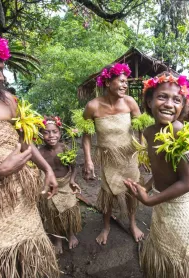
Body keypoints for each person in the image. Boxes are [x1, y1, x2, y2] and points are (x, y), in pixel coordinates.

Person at [0, 29, 59, 277]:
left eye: (2, 69)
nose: (2, 77)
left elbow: (25, 142)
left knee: (27, 257)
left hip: (20, 198)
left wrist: (47, 169)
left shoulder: (8, 101)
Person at [124, 72, 189, 278]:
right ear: (149, 101)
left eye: (176, 100)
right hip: (162, 202)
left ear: (183, 106)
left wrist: (150, 200)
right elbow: (159, 166)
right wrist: (147, 187)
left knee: (176, 261)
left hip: (181, 210)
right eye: (162, 97)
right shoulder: (150, 132)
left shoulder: (178, 131)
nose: (169, 104)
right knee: (161, 254)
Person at [82, 63, 144, 245]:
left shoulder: (130, 102)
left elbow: (140, 128)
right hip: (108, 157)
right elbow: (86, 137)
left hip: (129, 155)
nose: (125, 85)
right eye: (121, 81)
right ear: (108, 82)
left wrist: (142, 151)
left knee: (132, 190)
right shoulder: (93, 106)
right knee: (108, 192)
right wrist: (88, 161)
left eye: (126, 82)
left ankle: (132, 224)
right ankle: (106, 226)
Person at [39, 116, 82, 254]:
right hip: (50, 188)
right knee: (53, 214)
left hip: (66, 184)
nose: (51, 135)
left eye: (54, 131)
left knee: (69, 211)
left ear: (60, 132)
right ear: (41, 134)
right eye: (46, 132)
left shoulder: (65, 148)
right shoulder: (39, 152)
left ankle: (70, 234)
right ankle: (57, 239)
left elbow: (74, 167)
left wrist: (72, 180)